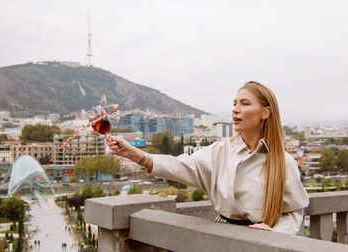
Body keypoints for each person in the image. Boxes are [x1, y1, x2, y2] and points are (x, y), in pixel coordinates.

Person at [106, 81, 309, 234]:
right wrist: (136, 154)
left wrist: (274, 234)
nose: (235, 109)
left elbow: (293, 213)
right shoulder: (219, 152)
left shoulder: (284, 162)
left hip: (264, 244)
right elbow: (181, 166)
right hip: (222, 238)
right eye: (235, 103)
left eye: (245, 104)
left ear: (265, 112)